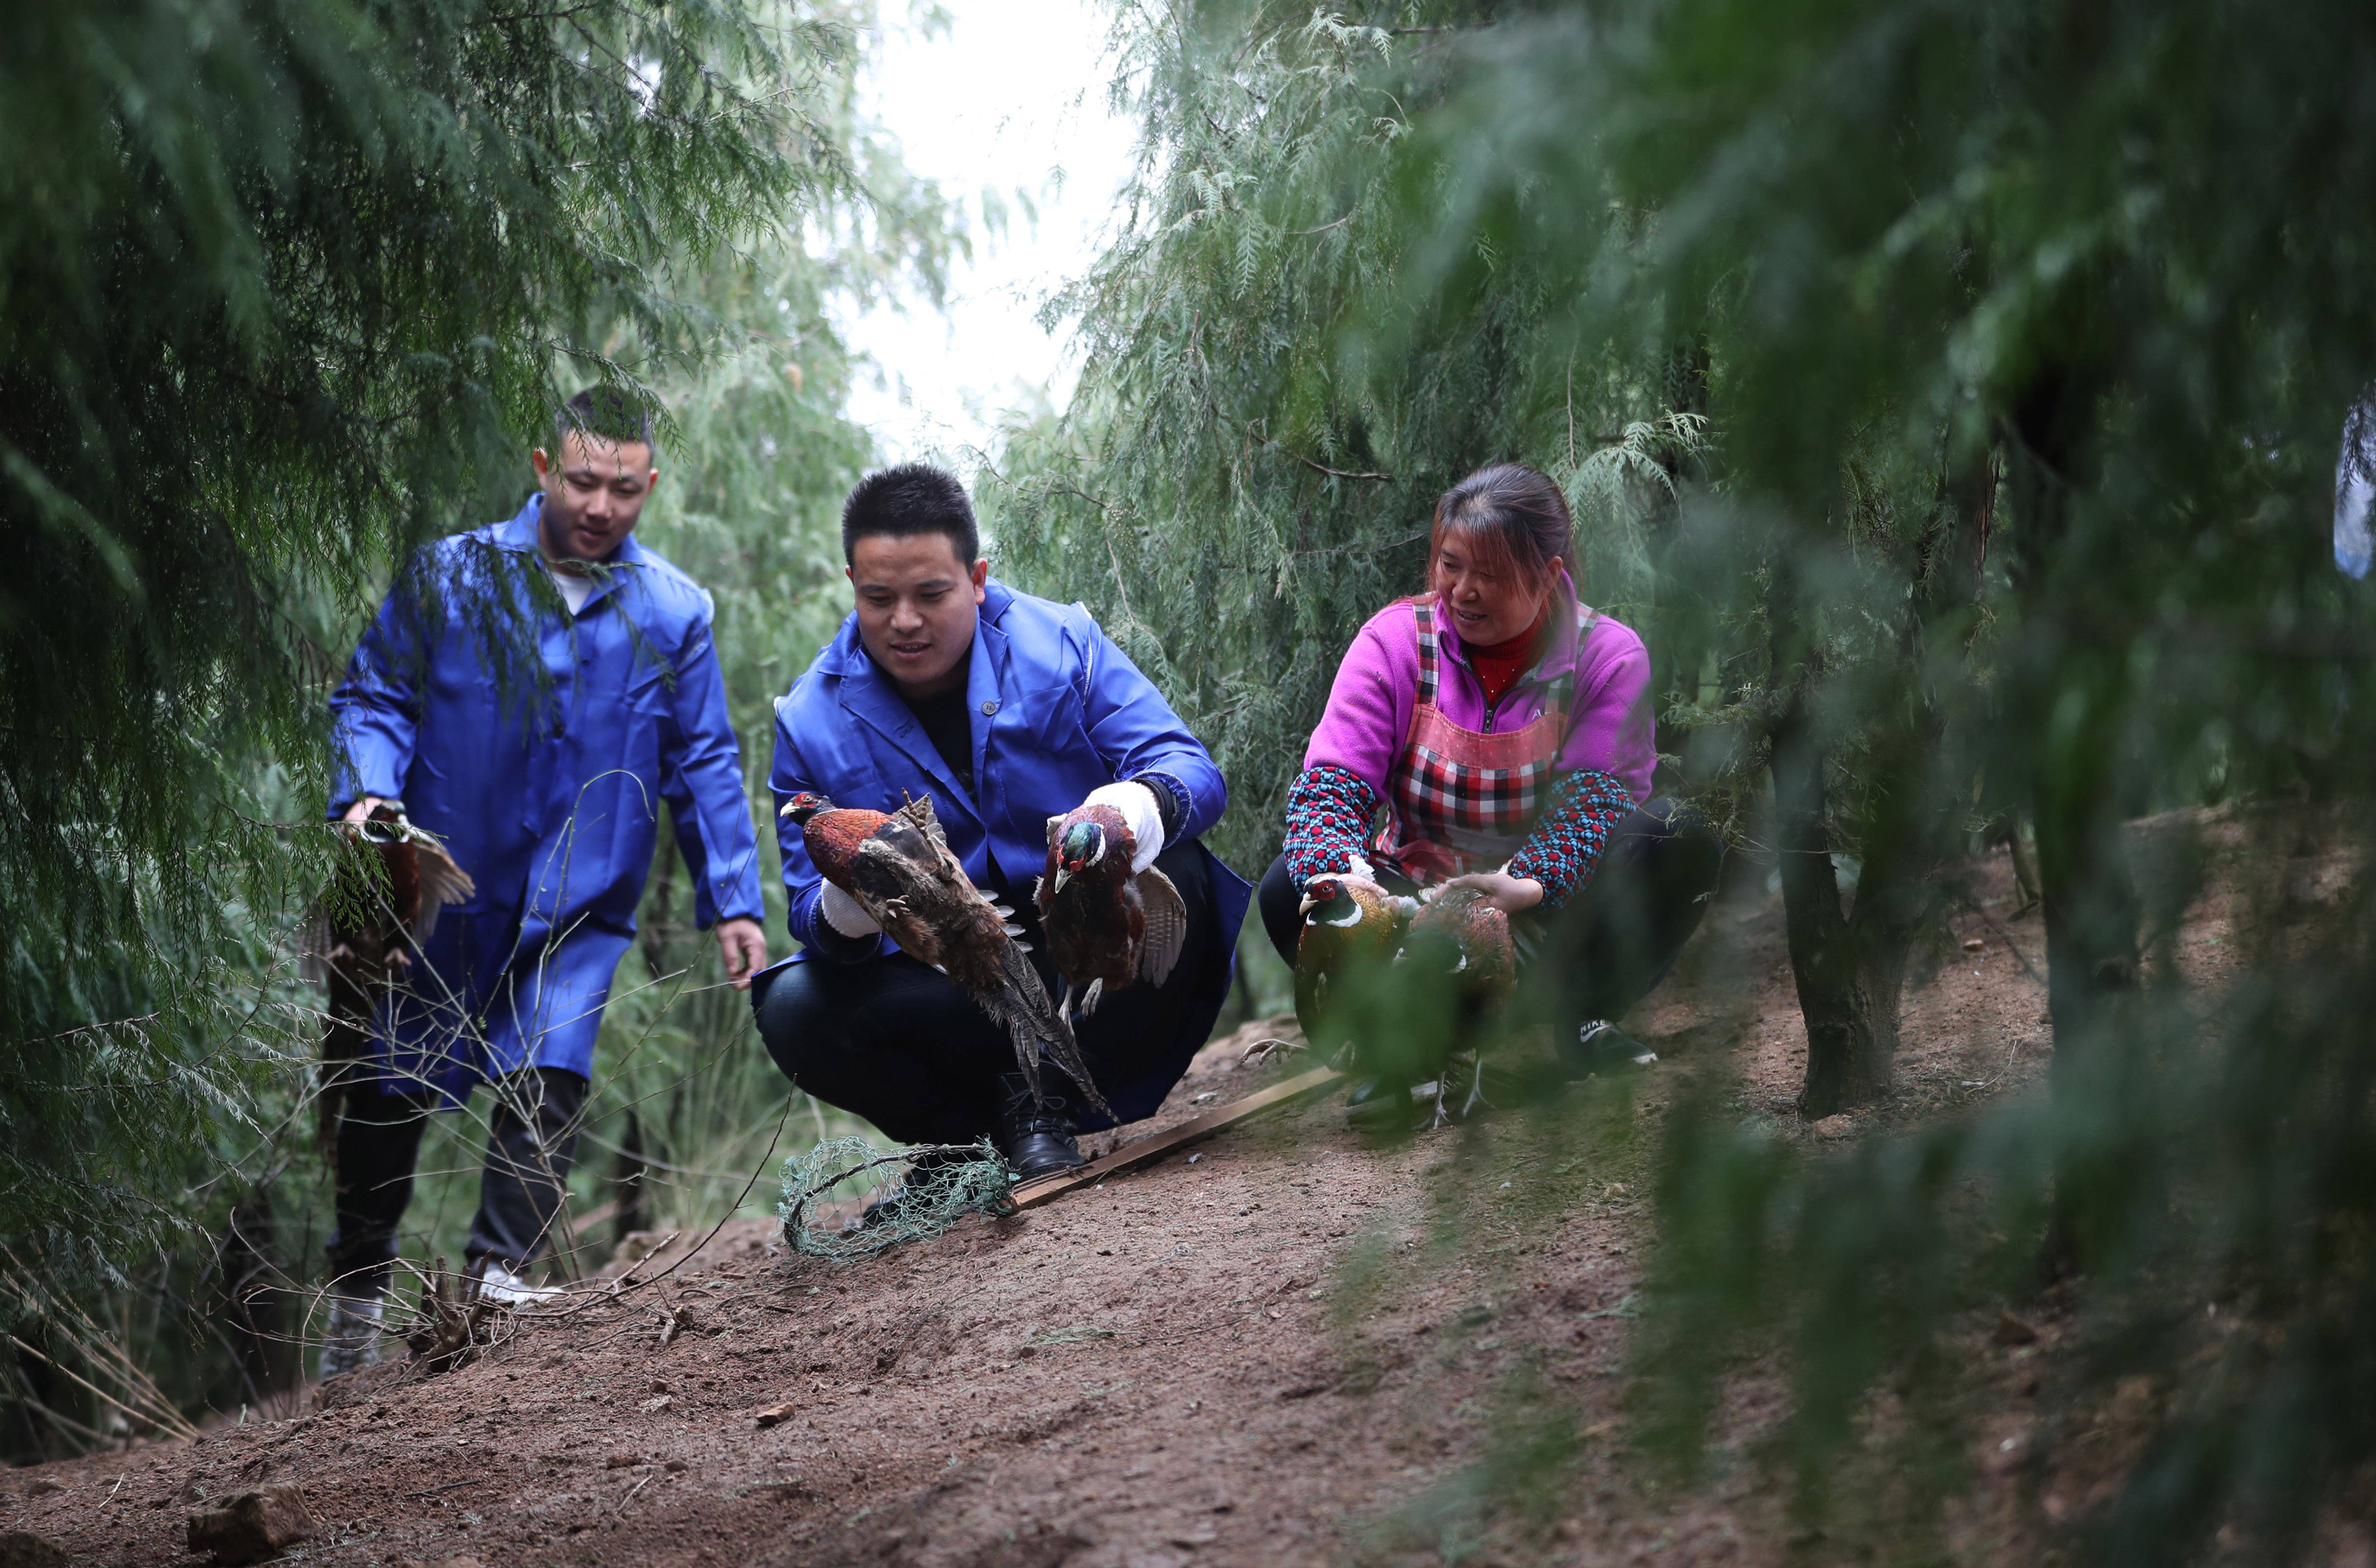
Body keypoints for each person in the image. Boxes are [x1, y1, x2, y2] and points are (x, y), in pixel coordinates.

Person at [319, 389, 769, 1374]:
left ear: (650, 485)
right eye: (581, 480)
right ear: (541, 468)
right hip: (448, 886)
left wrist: (732, 898)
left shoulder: (675, 612)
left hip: (582, 894)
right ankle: (355, 1298)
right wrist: (364, 798)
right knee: (390, 1086)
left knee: (548, 1073)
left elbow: (703, 762)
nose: (600, 505)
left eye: (623, 487)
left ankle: (495, 1297)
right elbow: (373, 698)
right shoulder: (452, 575)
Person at [753, 464, 1249, 1189]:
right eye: (878, 598)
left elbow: (1188, 769)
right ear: (851, 583)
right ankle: (974, 1138)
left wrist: (1123, 816)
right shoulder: (806, 719)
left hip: (1090, 961)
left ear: (978, 578)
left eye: (931, 594)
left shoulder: (1063, 642)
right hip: (957, 987)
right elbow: (811, 919)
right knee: (795, 1006)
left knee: (1187, 872)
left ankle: (1047, 1095)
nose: (905, 622)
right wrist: (860, 885)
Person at [1262, 460, 1723, 1112]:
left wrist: (1528, 885)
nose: (1463, 590)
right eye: (1451, 565)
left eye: (1491, 574)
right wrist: (1346, 878)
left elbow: (1596, 803)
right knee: (1290, 888)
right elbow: (1330, 786)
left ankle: (1580, 1016)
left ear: (1548, 576)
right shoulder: (1392, 642)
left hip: (1543, 909)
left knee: (1679, 839)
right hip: (1411, 902)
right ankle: (1409, 1039)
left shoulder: (1609, 657)